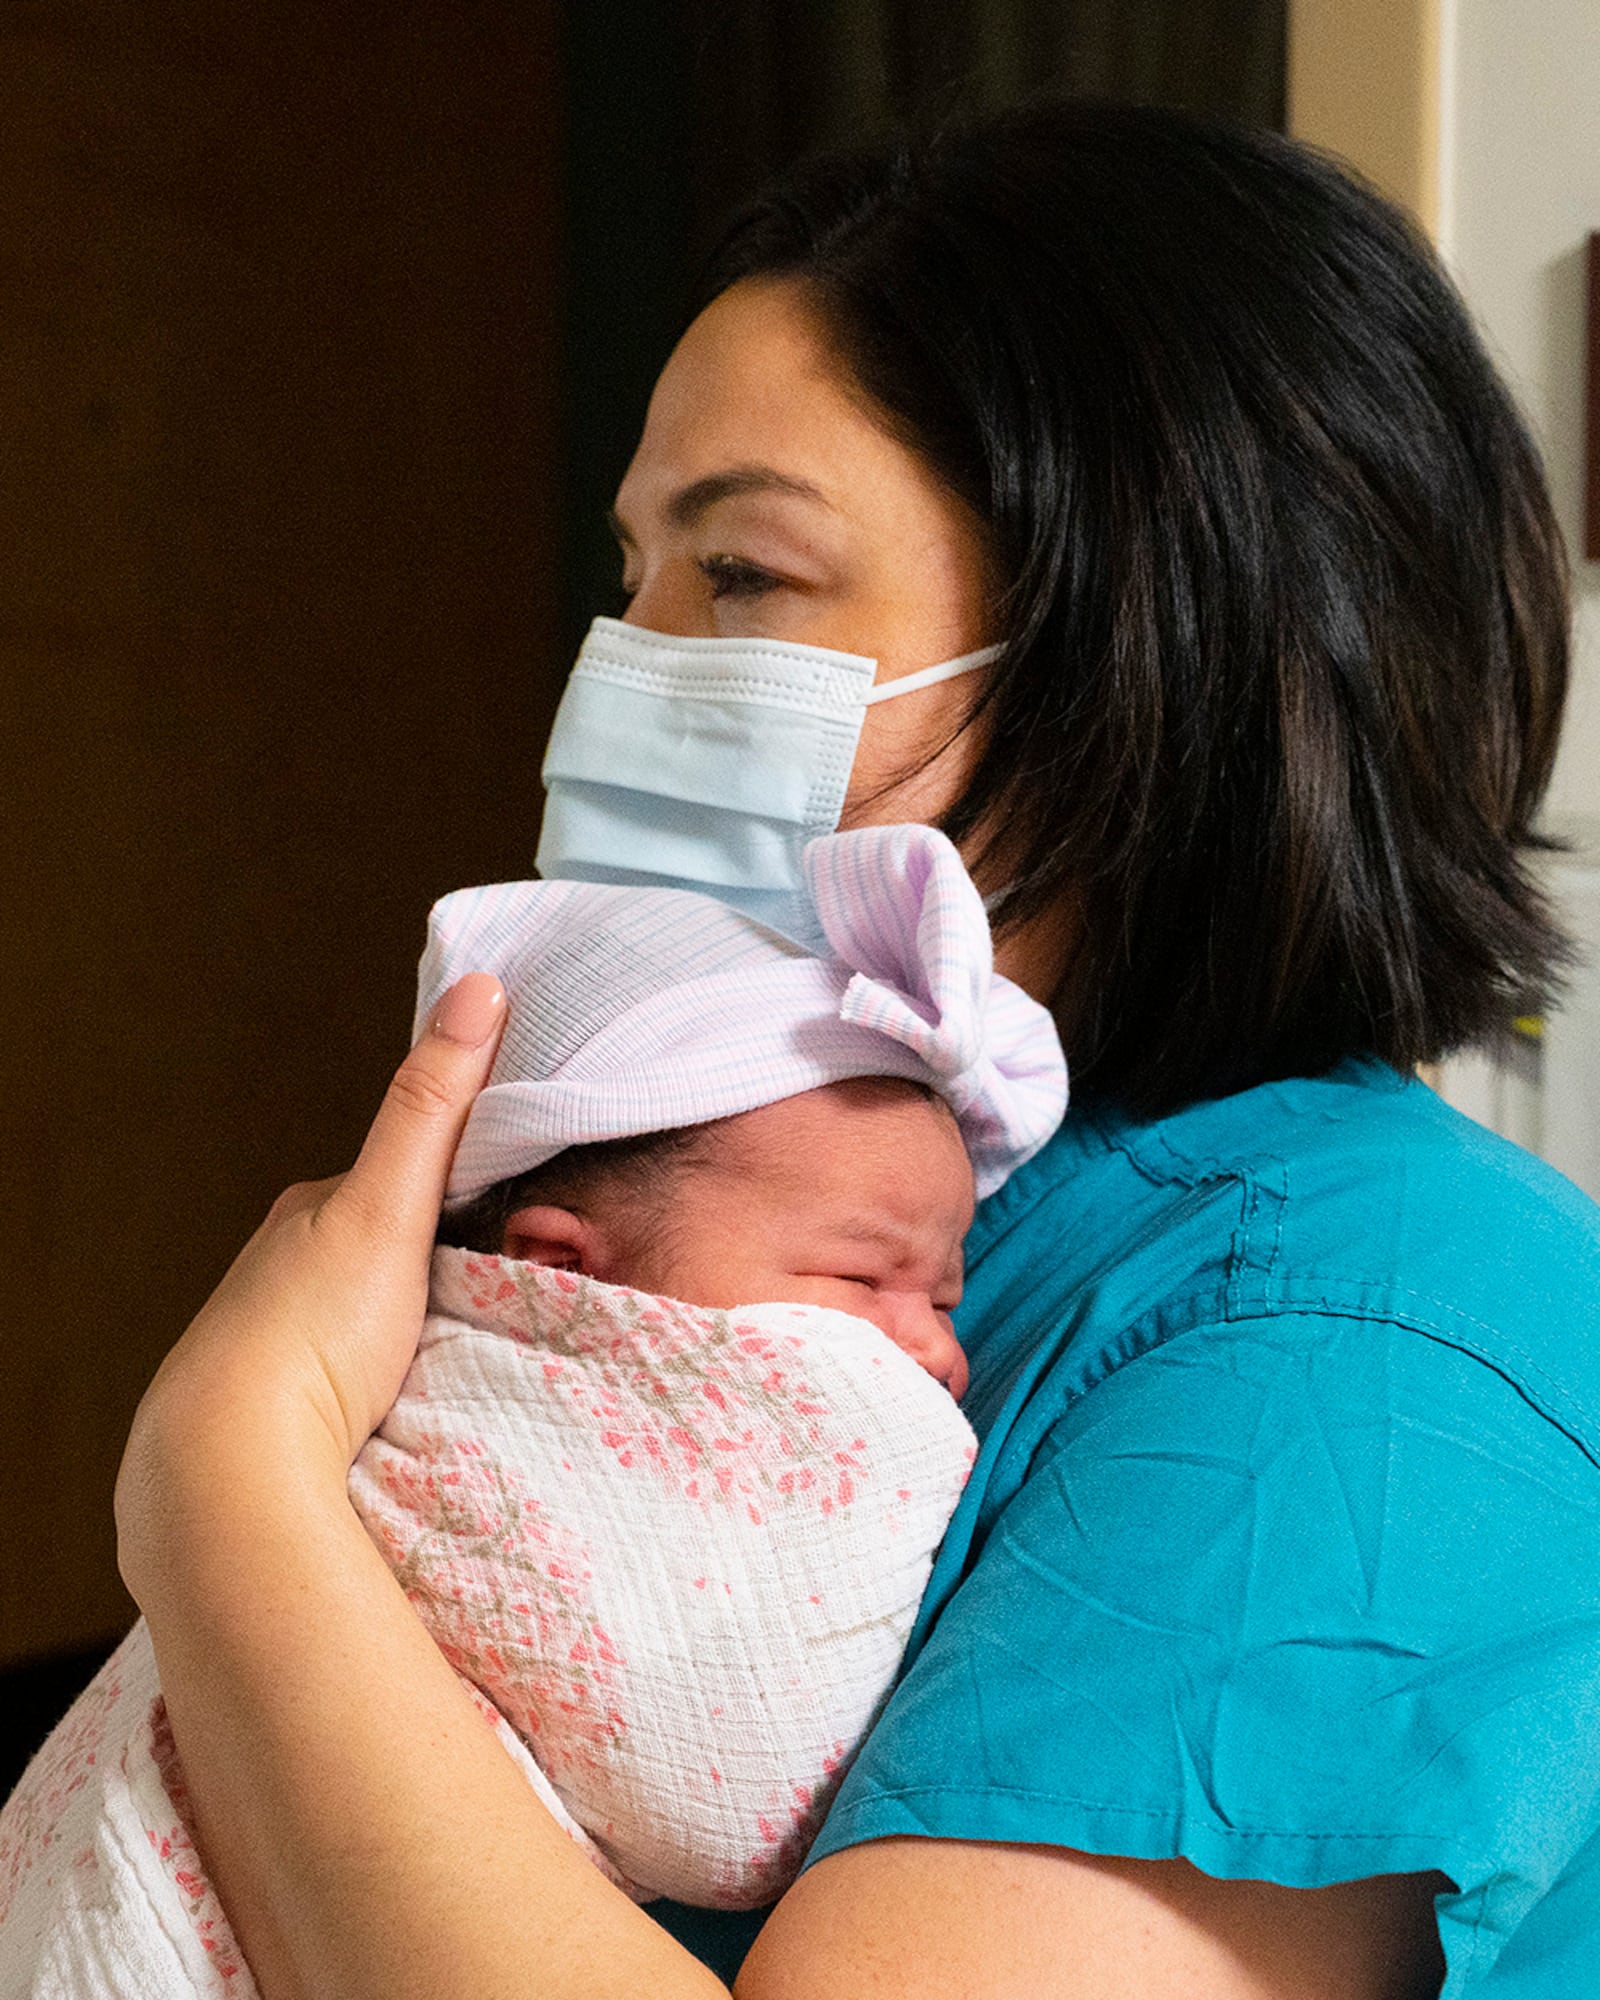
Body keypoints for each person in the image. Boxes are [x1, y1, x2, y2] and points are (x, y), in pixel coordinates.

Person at [110, 99, 1600, 2000]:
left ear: (1148, 634)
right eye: (631, 572)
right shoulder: (810, 1176)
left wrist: (219, 1491)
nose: (624, 666)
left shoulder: (1374, 1349)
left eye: (737, 580)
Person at [0, 825, 1064, 1992]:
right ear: (563, 1271)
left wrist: (220, 1459)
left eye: (947, 1294)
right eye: (860, 1279)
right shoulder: (484, 1412)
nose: (932, 1349)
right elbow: (727, 1785)